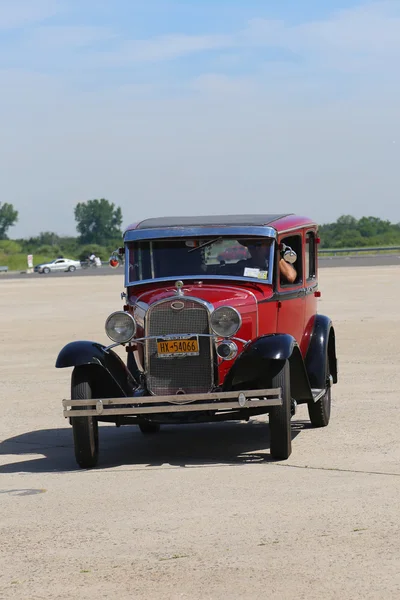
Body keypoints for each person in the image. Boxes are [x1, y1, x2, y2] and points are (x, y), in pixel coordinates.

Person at [223, 239, 297, 283]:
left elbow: (290, 277)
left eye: (259, 245)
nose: (255, 249)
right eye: (251, 246)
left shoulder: (276, 266)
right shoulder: (243, 265)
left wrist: (276, 253)